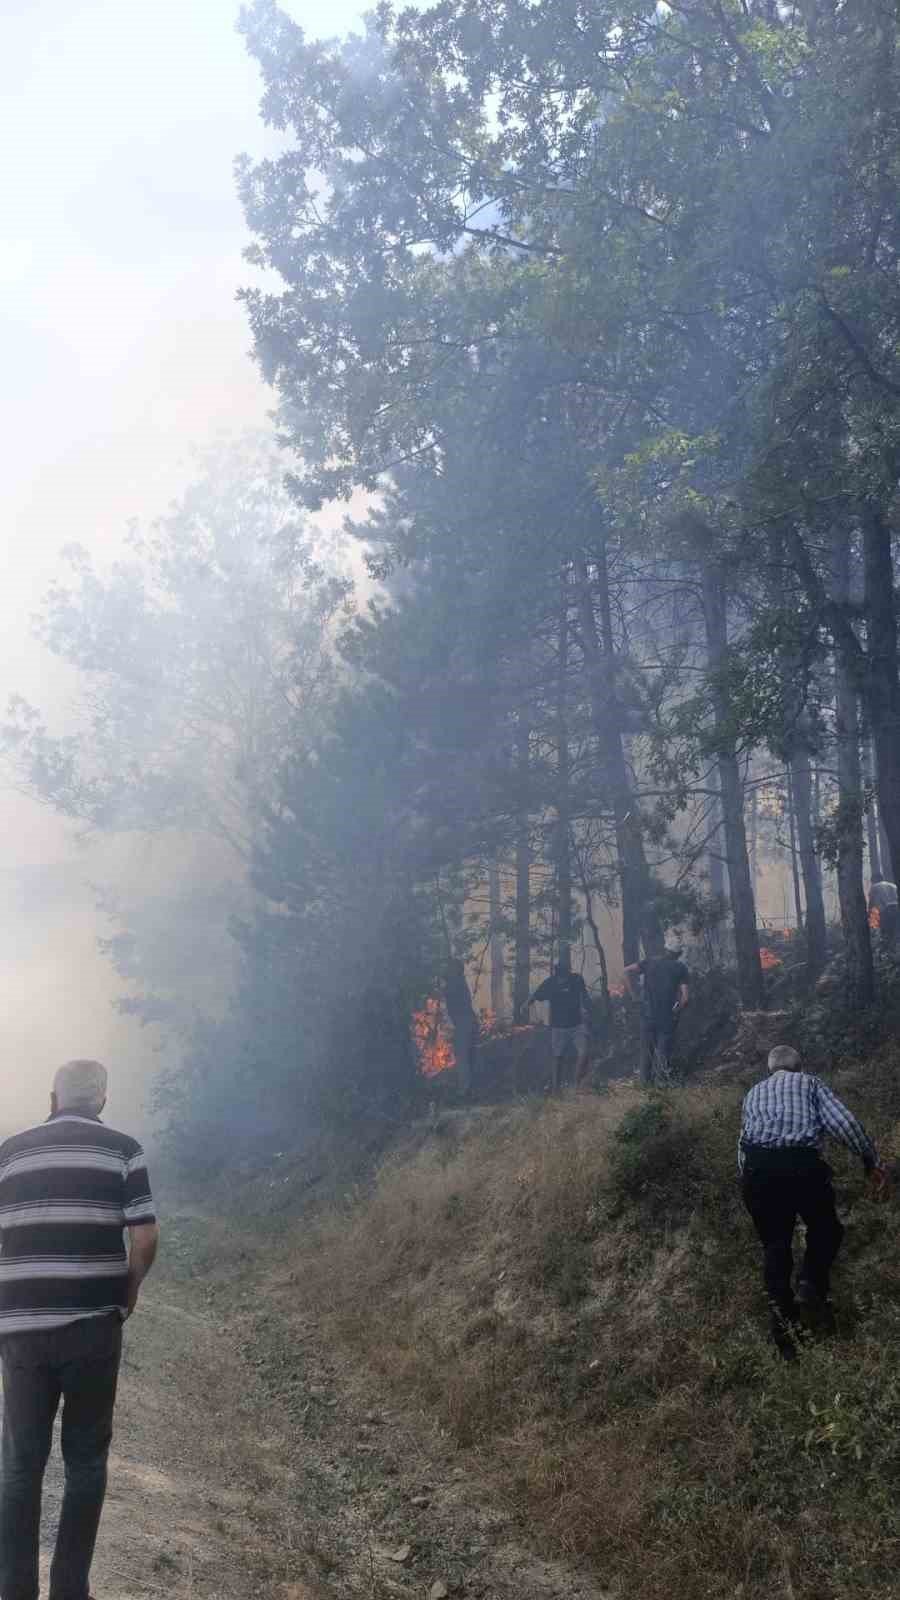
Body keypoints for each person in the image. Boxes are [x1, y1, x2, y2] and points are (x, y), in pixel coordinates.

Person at [0, 1059, 159, 1600]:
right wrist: (128, 1292)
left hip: (21, 1333)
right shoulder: (122, 1149)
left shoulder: (10, 1152)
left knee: (20, 1463)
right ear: (102, 1100)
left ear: (52, 1097)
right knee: (86, 1461)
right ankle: (70, 1590)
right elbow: (145, 1239)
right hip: (93, 1328)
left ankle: (14, 1590)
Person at [739, 1044, 885, 1358]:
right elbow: (844, 1124)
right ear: (799, 1067)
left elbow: (743, 1142)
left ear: (770, 1069)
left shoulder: (753, 1092)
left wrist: (750, 1181)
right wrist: (870, 1160)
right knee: (827, 1230)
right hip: (800, 1167)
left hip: (758, 1171)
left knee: (775, 1247)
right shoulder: (809, 1084)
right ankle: (810, 1283)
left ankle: (787, 1339)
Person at [623, 947, 689, 1086]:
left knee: (646, 1052)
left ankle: (644, 1086)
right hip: (666, 1017)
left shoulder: (650, 962)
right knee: (663, 1053)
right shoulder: (680, 968)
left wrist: (633, 995)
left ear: (665, 950)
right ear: (679, 953)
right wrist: (676, 1010)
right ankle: (660, 1086)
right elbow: (685, 998)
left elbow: (627, 970)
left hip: (647, 1015)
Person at [527, 961, 593, 1090]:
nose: (563, 977)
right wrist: (525, 1005)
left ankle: (576, 1085)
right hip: (558, 1027)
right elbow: (535, 995)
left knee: (584, 1052)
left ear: (569, 972)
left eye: (565, 973)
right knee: (558, 1057)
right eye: (560, 974)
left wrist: (588, 1010)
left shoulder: (576, 979)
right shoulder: (550, 983)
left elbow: (584, 996)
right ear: (556, 974)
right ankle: (556, 1089)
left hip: (577, 1024)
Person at [445, 958, 478, 1099]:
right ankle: (468, 1088)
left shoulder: (455, 983)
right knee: (466, 1057)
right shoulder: (458, 981)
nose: (447, 970)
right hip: (467, 1022)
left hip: (464, 1023)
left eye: (450, 968)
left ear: (455, 970)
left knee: (462, 1057)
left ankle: (464, 1090)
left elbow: (452, 1000)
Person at [868, 877, 898, 949]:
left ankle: (888, 948)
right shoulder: (894, 885)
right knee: (896, 929)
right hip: (897, 908)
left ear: (873, 881)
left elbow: (871, 904)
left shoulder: (874, 887)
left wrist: (869, 915)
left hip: (886, 910)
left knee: (886, 931)